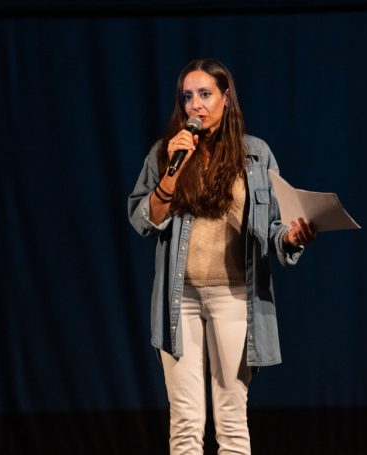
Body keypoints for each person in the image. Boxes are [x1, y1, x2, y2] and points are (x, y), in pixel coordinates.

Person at [128, 58, 315, 455]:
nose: (195, 105)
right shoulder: (167, 151)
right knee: (185, 423)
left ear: (226, 97)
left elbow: (275, 226)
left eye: (205, 94)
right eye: (187, 97)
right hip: (180, 301)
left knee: (231, 421)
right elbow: (145, 220)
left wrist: (292, 237)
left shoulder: (256, 154)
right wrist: (172, 171)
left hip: (235, 297)